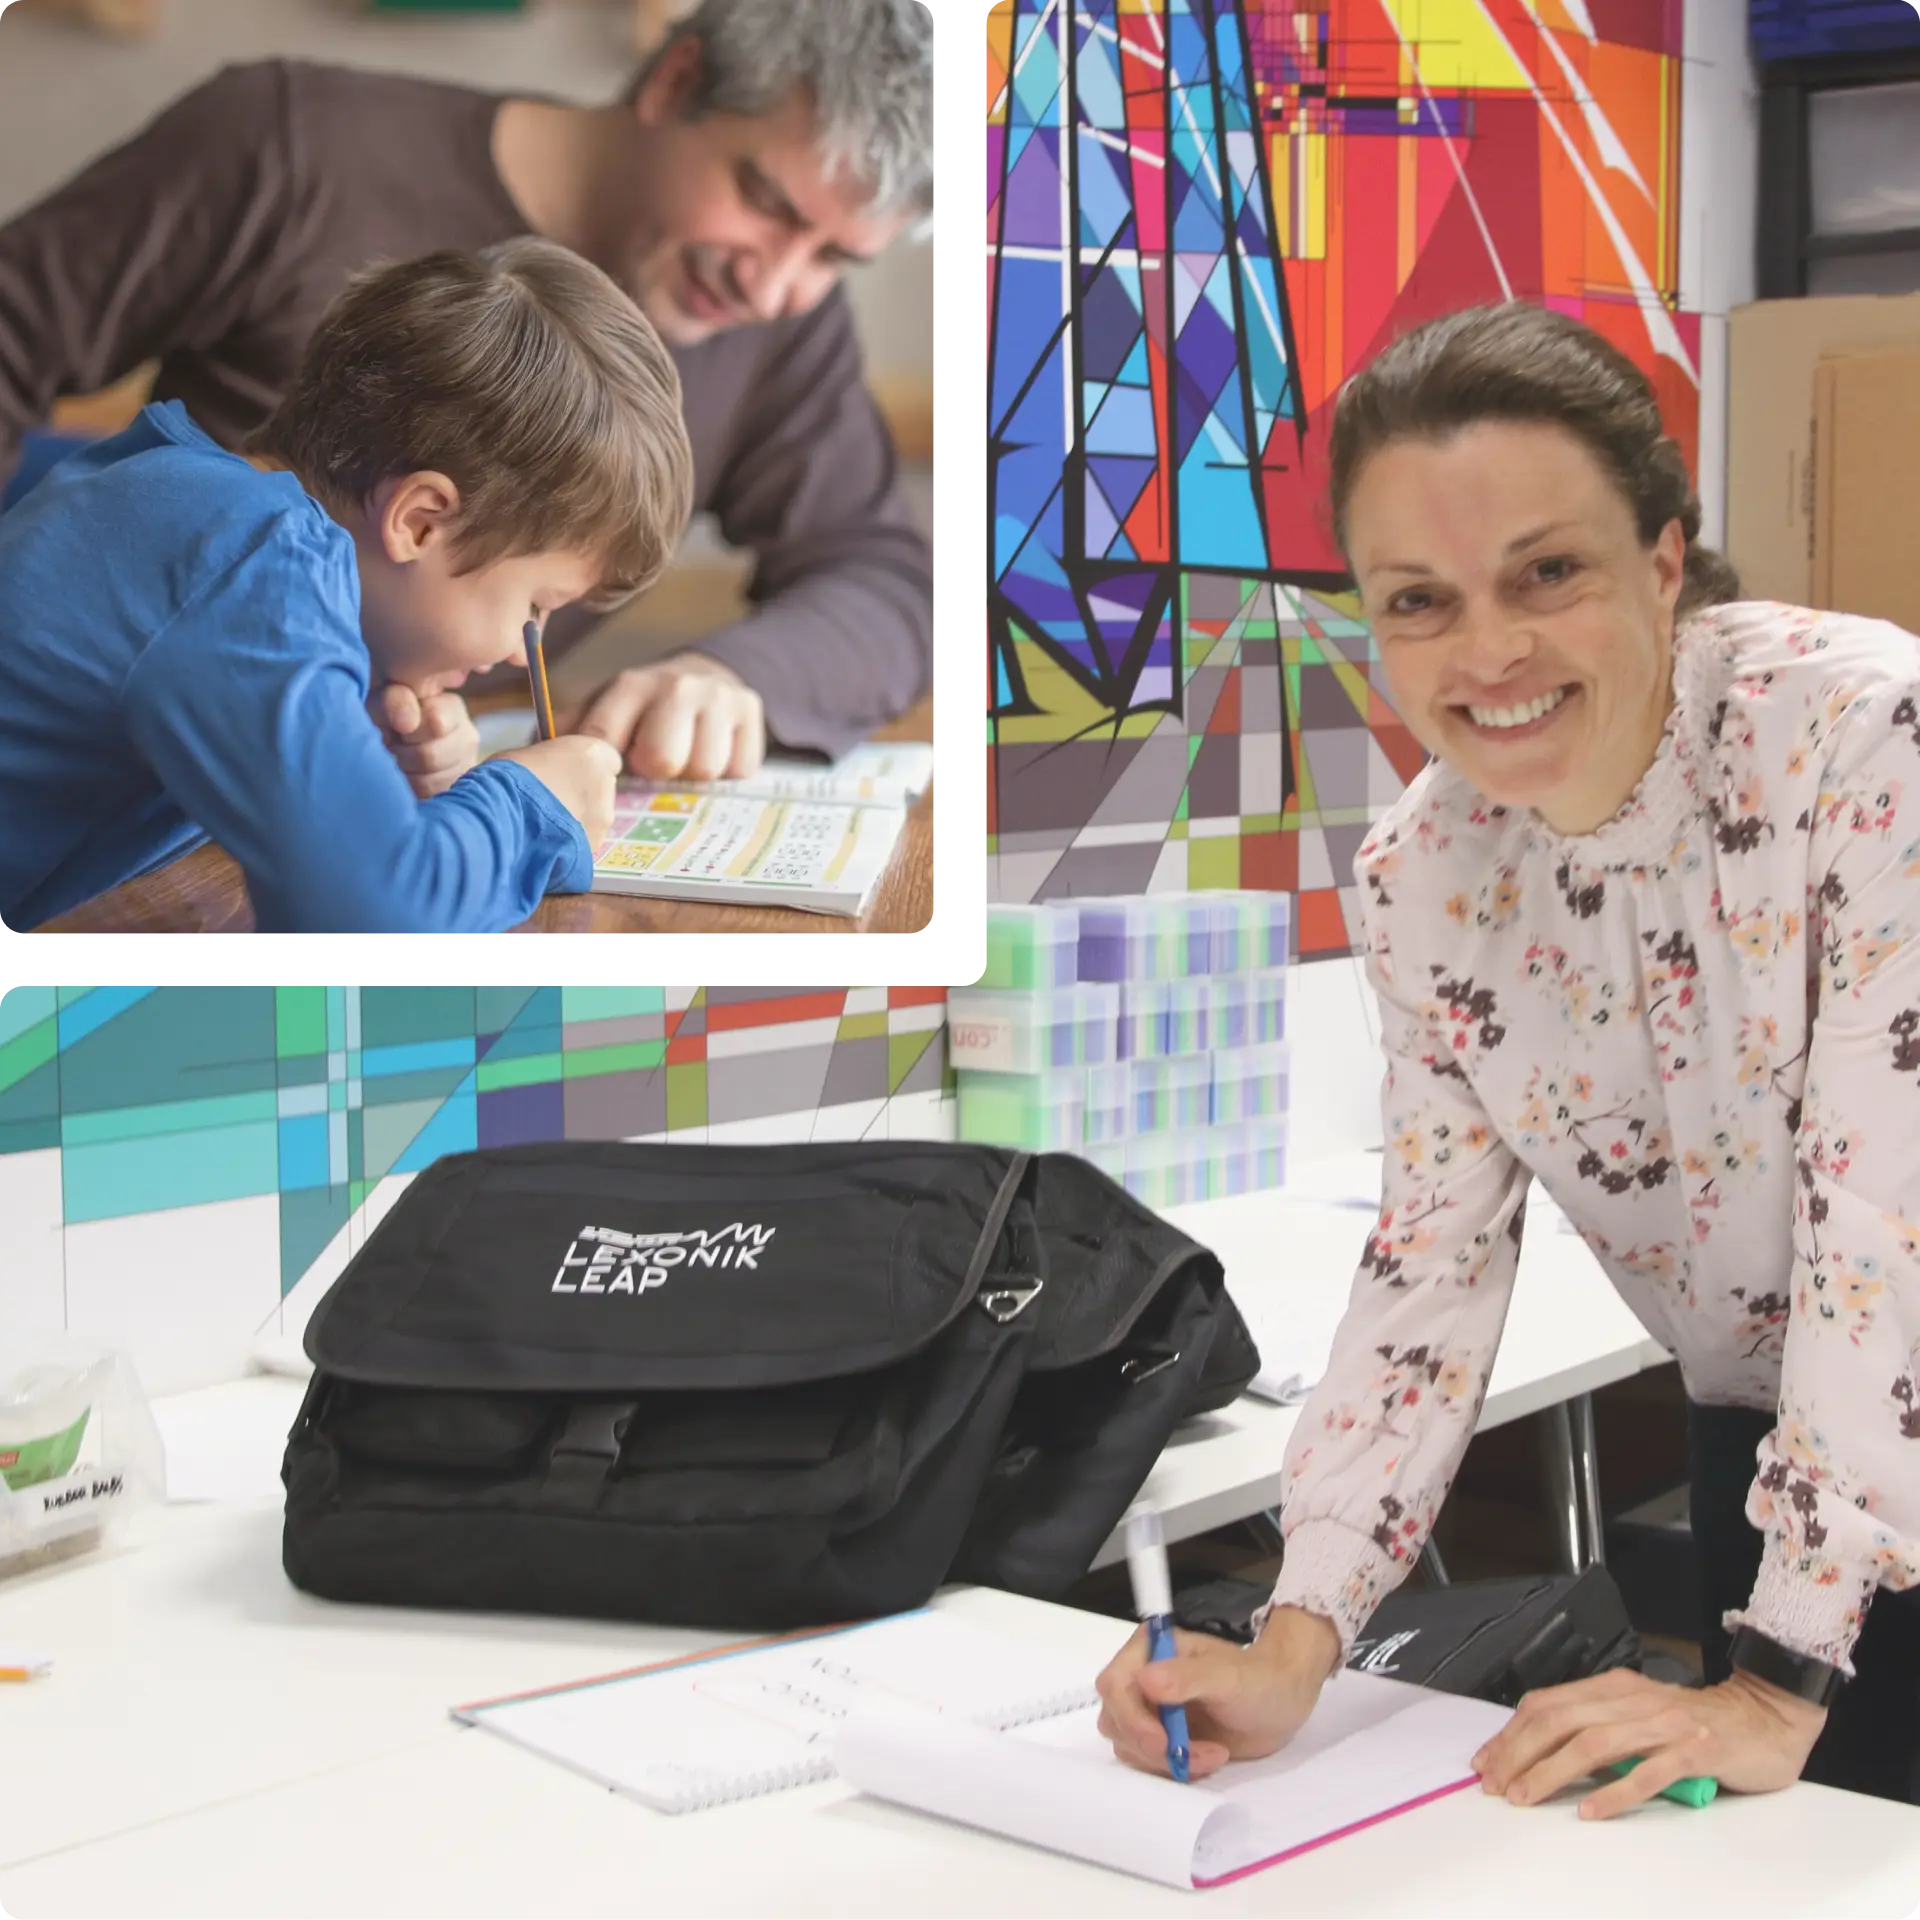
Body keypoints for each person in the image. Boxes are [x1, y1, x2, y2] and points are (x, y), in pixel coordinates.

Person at [1096, 300, 1920, 1812]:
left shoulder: (1871, 739)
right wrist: (1300, 1634)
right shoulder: (1428, 878)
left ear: (1664, 559)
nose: (1488, 652)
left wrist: (1779, 1675)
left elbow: (1889, 1235)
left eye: (1549, 572)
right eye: (1418, 600)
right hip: (1775, 1460)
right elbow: (1426, 1279)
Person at [0, 0, 933, 782]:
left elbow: (884, 581)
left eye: (837, 258)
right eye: (765, 203)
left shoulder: (782, 328)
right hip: (160, 773)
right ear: (675, 81)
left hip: (419, 778)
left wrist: (734, 674)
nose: (772, 289)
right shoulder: (287, 145)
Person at [0, 237, 691, 934]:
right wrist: (532, 806)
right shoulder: (256, 561)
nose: (521, 653)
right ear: (421, 522)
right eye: (535, 608)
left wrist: (357, 745)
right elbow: (370, 916)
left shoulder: (195, 506)